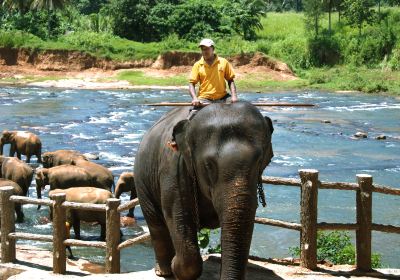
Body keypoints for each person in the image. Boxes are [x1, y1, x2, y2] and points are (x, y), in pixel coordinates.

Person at [168, 38, 238, 150]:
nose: (205, 51)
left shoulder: (223, 62)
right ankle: (176, 140)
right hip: (205, 98)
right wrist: (195, 98)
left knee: (239, 110)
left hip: (223, 97)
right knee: (192, 116)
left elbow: (231, 80)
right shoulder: (198, 65)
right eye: (202, 49)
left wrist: (234, 96)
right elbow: (191, 84)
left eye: (207, 48)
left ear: (213, 49)